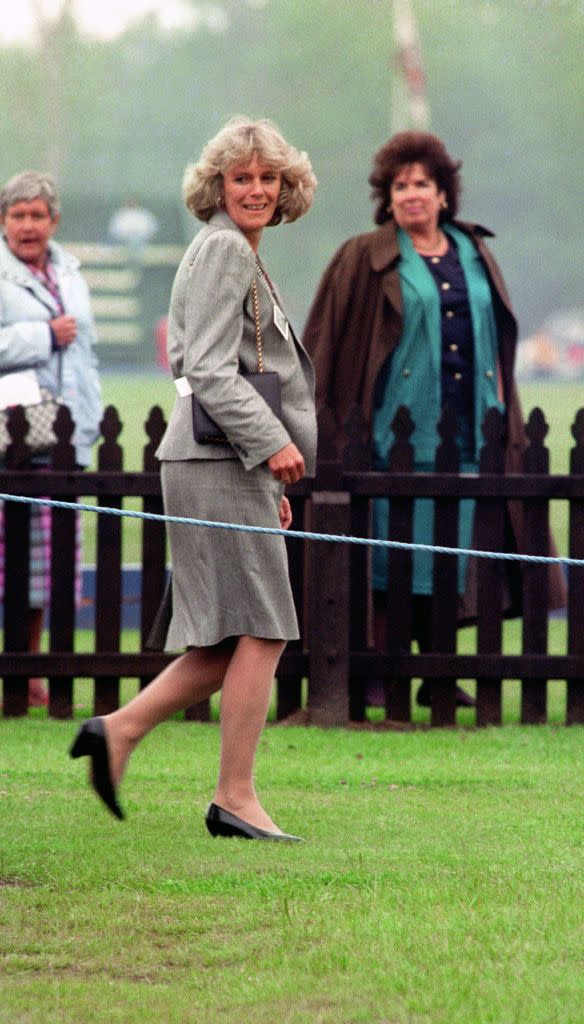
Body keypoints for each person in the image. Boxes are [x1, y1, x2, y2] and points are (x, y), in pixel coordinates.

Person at [70, 117, 318, 840]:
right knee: (266, 628)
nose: (256, 190)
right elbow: (207, 367)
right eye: (240, 178)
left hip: (223, 464)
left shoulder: (238, 251)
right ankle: (234, 797)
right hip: (217, 457)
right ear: (217, 186)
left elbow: (240, 367)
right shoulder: (223, 251)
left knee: (220, 642)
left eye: (268, 178)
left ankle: (116, 733)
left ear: (286, 187)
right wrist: (272, 445)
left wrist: (267, 484)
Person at [303, 131, 565, 710]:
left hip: (472, 433)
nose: (412, 194)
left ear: (444, 194)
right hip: (392, 437)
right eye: (400, 185)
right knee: (389, 556)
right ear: (387, 196)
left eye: (423, 183)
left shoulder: (474, 253)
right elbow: (324, 343)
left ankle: (441, 672)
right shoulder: (362, 256)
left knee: (455, 557)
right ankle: (379, 671)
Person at [0, 170, 103, 706]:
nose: (28, 225)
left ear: (54, 221)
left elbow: (84, 354)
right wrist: (41, 336)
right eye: (17, 215)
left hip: (62, 436)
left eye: (37, 215)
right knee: (4, 563)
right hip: (9, 437)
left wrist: (90, 418)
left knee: (45, 565)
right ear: (3, 222)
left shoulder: (71, 272)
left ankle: (34, 673)